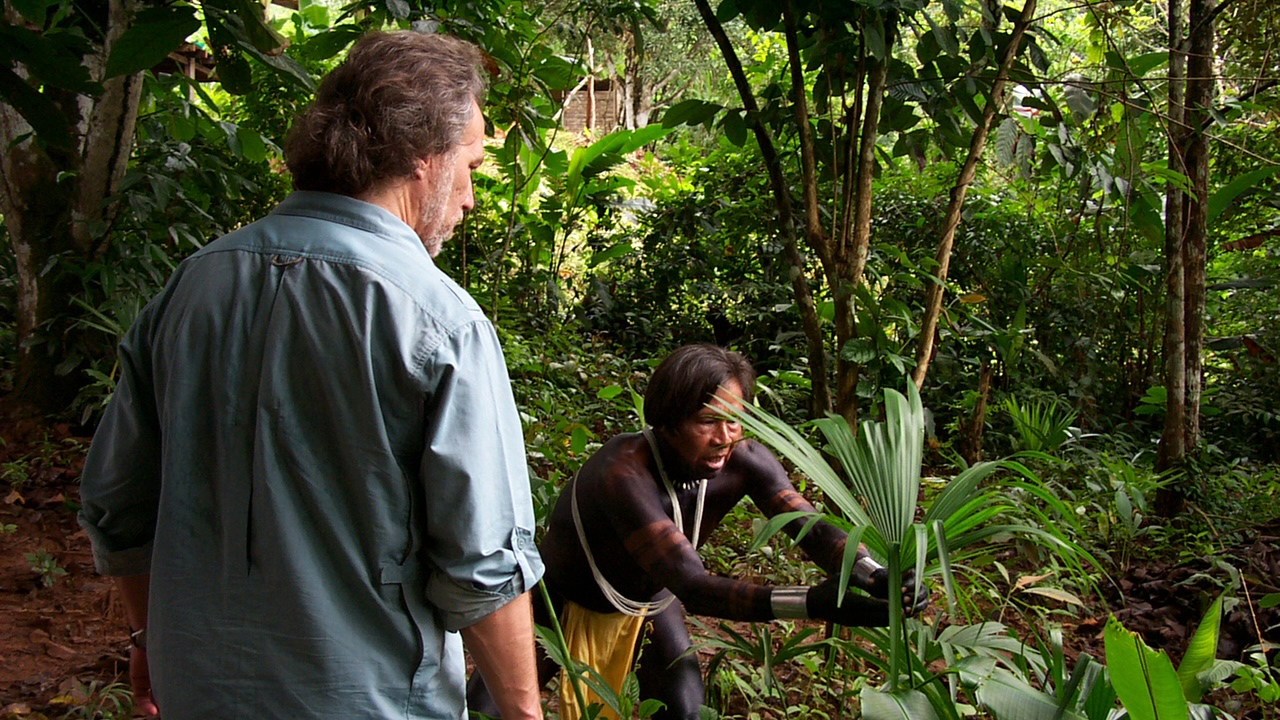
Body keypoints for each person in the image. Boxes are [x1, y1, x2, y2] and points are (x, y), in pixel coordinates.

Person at [77, 31, 544, 719]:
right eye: (470, 164)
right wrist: (525, 713)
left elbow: (118, 504)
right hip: (373, 700)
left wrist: (149, 638)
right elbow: (483, 563)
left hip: (197, 690)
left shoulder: (191, 287)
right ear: (424, 159)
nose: (470, 196)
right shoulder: (440, 319)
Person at [468, 344, 927, 720]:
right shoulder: (622, 472)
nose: (725, 436)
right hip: (558, 603)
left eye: (734, 419)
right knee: (480, 714)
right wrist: (812, 602)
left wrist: (873, 573)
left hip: (649, 603)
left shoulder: (746, 460)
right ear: (667, 420)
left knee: (686, 711)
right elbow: (695, 587)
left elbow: (810, 527)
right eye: (707, 421)